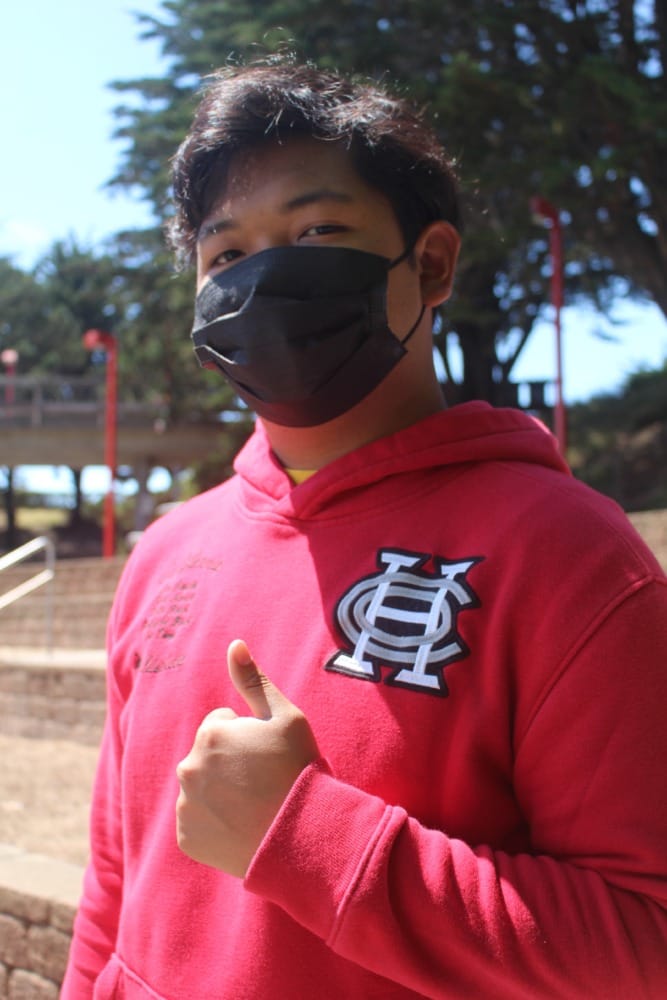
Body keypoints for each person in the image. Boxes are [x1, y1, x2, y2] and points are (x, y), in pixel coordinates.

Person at [62, 60, 667, 999]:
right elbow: (116, 877)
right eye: (226, 254)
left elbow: (643, 944)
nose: (264, 274)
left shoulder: (568, 556)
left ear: (430, 264)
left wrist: (309, 838)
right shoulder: (165, 554)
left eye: (317, 231)